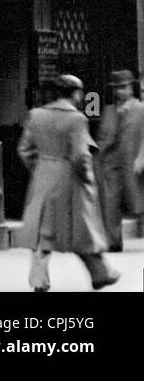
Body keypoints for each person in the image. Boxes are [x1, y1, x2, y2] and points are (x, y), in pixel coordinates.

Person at [15, 75, 120, 291]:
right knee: (82, 229)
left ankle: (38, 279)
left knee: (43, 231)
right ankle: (100, 273)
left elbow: (24, 149)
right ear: (76, 93)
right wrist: (88, 178)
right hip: (70, 180)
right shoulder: (77, 119)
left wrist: (41, 168)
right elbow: (80, 155)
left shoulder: (35, 115)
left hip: (43, 177)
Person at [98, 69, 144, 251]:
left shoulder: (141, 109)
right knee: (110, 202)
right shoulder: (109, 110)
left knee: (139, 199)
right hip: (112, 163)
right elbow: (102, 136)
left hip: (134, 160)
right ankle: (113, 241)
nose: (121, 92)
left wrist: (142, 157)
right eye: (117, 88)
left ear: (131, 88)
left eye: (124, 87)